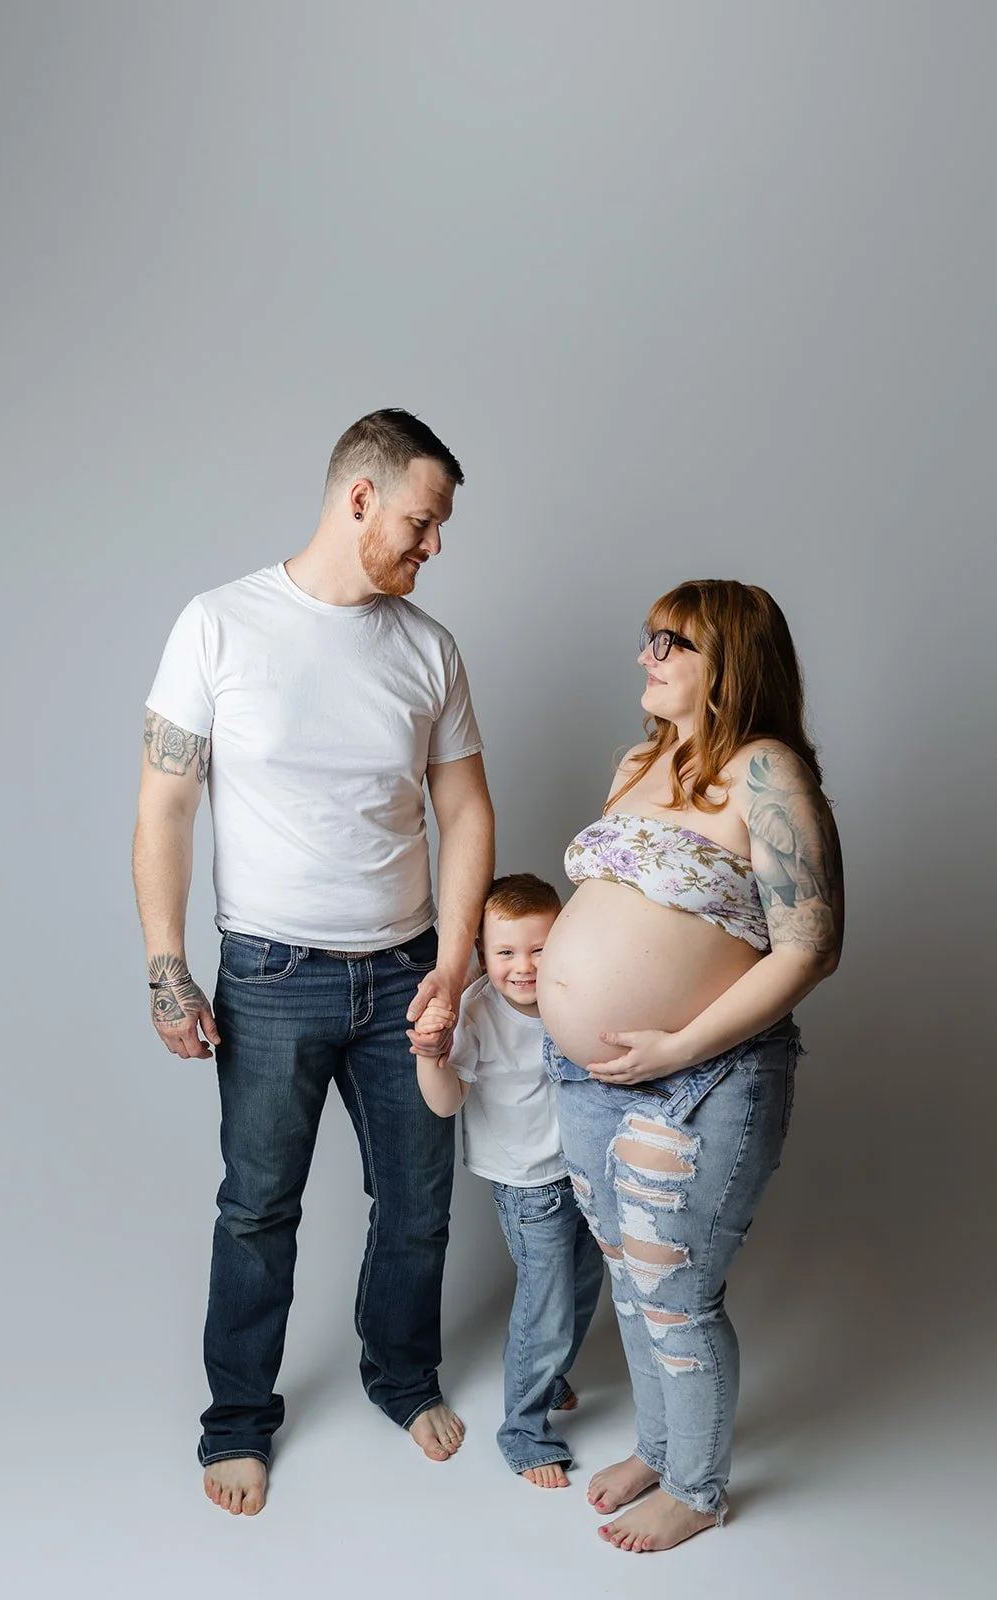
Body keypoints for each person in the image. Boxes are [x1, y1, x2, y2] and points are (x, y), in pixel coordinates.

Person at [132, 408, 495, 1517]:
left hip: (406, 969)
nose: (433, 546)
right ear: (358, 500)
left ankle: (400, 1374)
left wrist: (458, 959)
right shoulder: (219, 625)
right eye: (422, 522)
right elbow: (167, 799)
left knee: (419, 1200)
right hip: (273, 973)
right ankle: (236, 1420)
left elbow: (465, 809)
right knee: (256, 1206)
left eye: (437, 530)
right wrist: (167, 961)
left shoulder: (427, 648)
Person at [537, 579, 843, 1553]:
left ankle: (698, 1488)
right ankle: (660, 1446)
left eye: (672, 643)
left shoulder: (765, 773)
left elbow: (809, 946)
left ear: (730, 664)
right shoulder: (638, 760)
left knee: (675, 1288)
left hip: (703, 1077)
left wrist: (674, 1044)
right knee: (629, 1279)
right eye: (648, 639)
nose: (646, 657)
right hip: (589, 1073)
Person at [414, 874, 604, 1488]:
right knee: (545, 1307)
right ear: (479, 955)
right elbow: (445, 1105)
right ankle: (523, 1432)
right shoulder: (476, 1012)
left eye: (540, 948)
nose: (524, 967)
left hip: (583, 1173)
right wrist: (429, 1056)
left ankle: (549, 1375)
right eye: (505, 952)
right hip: (529, 1187)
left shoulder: (573, 997)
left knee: (582, 1287)